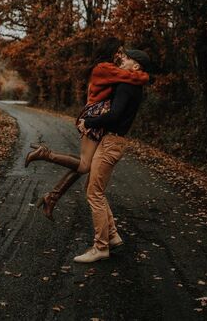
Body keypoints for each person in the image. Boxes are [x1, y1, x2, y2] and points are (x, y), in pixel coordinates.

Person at [24, 38, 149, 220]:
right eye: (119, 51)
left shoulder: (107, 68)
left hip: (97, 115)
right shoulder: (104, 68)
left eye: (123, 52)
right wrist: (146, 76)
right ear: (110, 51)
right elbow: (131, 76)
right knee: (84, 165)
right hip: (94, 115)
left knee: (85, 165)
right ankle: (45, 155)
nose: (121, 55)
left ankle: (52, 197)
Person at [73, 48, 151, 263]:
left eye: (126, 58)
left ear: (135, 66)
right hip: (113, 141)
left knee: (94, 193)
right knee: (94, 187)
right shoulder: (133, 84)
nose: (122, 60)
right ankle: (113, 236)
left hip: (112, 142)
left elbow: (114, 114)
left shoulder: (127, 86)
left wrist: (89, 122)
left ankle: (101, 247)